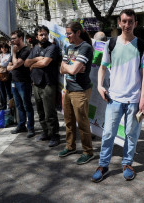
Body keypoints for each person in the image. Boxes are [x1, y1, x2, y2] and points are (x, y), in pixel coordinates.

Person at [91, 9, 144, 182]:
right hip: (114, 99)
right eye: (124, 21)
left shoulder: (142, 46)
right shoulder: (111, 43)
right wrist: (99, 86)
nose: (127, 25)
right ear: (119, 23)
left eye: (130, 21)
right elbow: (103, 67)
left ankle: (127, 164)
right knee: (108, 134)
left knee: (131, 135)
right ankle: (103, 165)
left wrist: (143, 99)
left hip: (134, 100)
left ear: (135, 23)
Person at [58, 22, 94, 165]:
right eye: (66, 33)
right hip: (69, 89)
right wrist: (70, 67)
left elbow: (71, 70)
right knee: (68, 121)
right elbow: (62, 69)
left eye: (69, 33)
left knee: (82, 123)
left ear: (78, 32)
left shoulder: (85, 47)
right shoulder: (69, 47)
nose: (67, 36)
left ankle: (88, 152)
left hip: (80, 90)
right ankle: (70, 146)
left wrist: (69, 68)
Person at [24, 25, 61, 147]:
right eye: (41, 35)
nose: (43, 36)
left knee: (49, 111)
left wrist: (33, 65)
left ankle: (55, 135)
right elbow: (26, 63)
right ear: (37, 37)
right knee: (40, 111)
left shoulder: (52, 47)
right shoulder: (34, 49)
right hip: (36, 84)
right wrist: (36, 59)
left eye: (45, 34)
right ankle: (46, 133)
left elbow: (45, 63)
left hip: (48, 84)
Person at [7, 30, 35, 138]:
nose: (12, 41)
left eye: (14, 38)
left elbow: (16, 64)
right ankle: (21, 125)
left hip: (24, 82)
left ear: (20, 38)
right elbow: (8, 67)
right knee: (18, 105)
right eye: (11, 38)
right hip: (14, 81)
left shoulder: (26, 50)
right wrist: (13, 64)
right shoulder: (15, 51)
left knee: (27, 105)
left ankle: (30, 128)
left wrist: (14, 55)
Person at [0, 42, 12, 110]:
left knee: (8, 91)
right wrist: (1, 64)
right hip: (0, 75)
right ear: (0, 49)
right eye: (2, 47)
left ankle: (11, 105)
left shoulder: (9, 55)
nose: (4, 49)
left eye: (5, 47)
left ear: (7, 48)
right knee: (1, 91)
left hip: (7, 75)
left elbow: (6, 64)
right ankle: (3, 105)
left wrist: (0, 64)